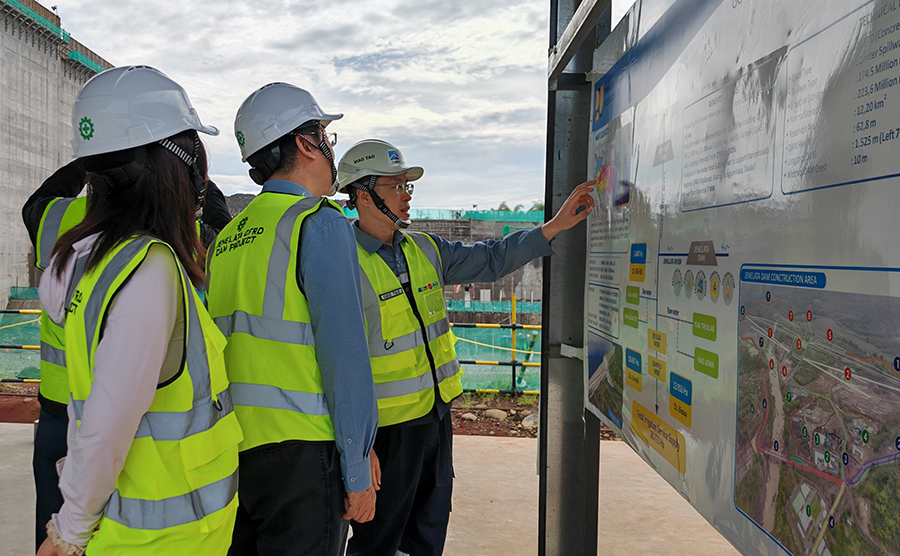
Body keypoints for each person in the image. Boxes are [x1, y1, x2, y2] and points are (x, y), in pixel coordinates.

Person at [337, 139, 595, 556]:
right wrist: (357, 448)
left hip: (436, 419)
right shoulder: (341, 262)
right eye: (396, 186)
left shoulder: (425, 248)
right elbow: (338, 363)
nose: (406, 195)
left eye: (407, 186)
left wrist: (552, 227)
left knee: (429, 529)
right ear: (363, 194)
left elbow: (491, 258)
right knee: (378, 539)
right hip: (386, 433)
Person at [35, 65, 241, 556]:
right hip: (166, 539)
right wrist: (68, 533)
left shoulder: (83, 257)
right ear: (174, 161)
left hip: (140, 528)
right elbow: (108, 421)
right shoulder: (149, 268)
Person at [206, 83, 379, 556]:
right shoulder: (317, 222)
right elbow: (344, 357)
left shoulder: (229, 238)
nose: (329, 147)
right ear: (305, 144)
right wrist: (357, 466)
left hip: (233, 451)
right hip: (303, 457)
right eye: (325, 135)